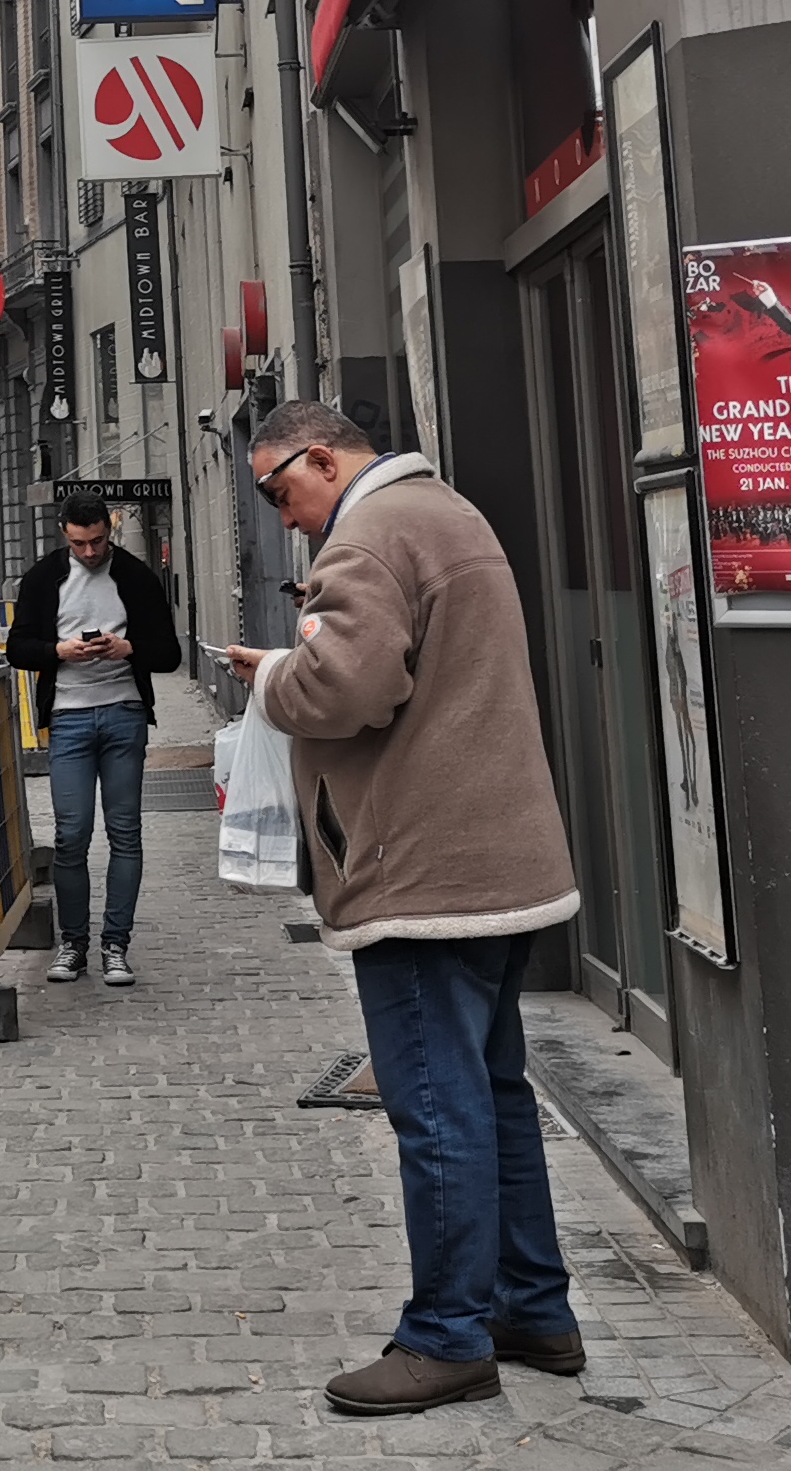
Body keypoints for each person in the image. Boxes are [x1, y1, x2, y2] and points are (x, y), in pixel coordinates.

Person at [225, 402, 584, 1418]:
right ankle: (533, 1307)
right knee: (493, 1092)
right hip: (495, 858)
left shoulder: (368, 535)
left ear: (322, 458)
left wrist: (274, 678)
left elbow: (348, 691)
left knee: (436, 1106)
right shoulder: (446, 510)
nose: (283, 517)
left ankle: (446, 1337)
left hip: (423, 872)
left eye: (279, 490)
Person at [4, 490, 179, 987]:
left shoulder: (137, 577)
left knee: (125, 832)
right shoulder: (43, 578)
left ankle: (115, 945)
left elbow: (169, 654)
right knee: (71, 833)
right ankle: (74, 945)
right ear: (64, 533)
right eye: (79, 543)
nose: (89, 552)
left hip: (125, 713)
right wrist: (58, 652)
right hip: (68, 718)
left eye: (98, 541)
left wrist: (128, 648)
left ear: (110, 529)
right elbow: (18, 649)